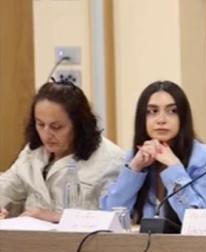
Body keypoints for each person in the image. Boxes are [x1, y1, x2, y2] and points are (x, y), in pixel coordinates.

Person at [101, 81, 206, 224]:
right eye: (152, 112)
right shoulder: (133, 158)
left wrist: (174, 168)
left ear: (183, 117)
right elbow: (110, 219)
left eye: (172, 111)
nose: (161, 120)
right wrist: (134, 169)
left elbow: (203, 223)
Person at [0, 81, 124, 222]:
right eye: (40, 124)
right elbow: (7, 188)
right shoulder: (33, 152)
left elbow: (113, 219)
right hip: (32, 234)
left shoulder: (110, 161)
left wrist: (55, 217)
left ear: (78, 124)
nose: (46, 134)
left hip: (80, 236)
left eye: (56, 127)